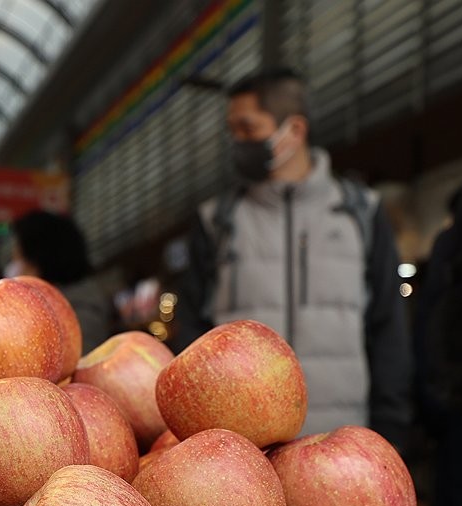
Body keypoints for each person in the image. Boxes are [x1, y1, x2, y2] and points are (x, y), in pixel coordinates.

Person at [175, 68, 411, 449]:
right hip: (244, 447)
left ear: (295, 131)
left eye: (248, 128)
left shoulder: (360, 213)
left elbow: (388, 325)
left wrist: (392, 426)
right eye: (231, 130)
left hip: (343, 440)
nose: (237, 141)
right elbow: (192, 328)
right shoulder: (216, 221)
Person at [415, 185, 462, 506]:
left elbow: (429, 328)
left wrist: (433, 399)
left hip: (456, 402)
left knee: (458, 502)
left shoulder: (449, 247)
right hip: (456, 401)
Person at [9, 209, 111, 352]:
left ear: (37, 261)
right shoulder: (45, 302)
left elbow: (77, 356)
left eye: (19, 257)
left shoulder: (82, 309)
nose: (15, 265)